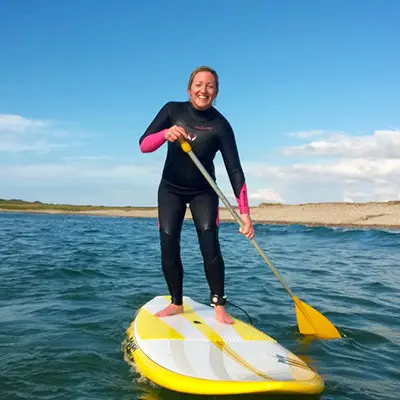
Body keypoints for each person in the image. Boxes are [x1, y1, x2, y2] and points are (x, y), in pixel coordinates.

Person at [139, 66, 254, 324]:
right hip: (171, 189)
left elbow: (235, 170)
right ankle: (176, 303)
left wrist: (245, 214)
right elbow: (144, 144)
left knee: (210, 246)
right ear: (190, 88)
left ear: (216, 92)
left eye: (210, 86)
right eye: (199, 84)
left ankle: (219, 306)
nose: (204, 90)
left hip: (204, 191)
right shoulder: (172, 110)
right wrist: (165, 134)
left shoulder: (221, 125)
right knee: (169, 243)